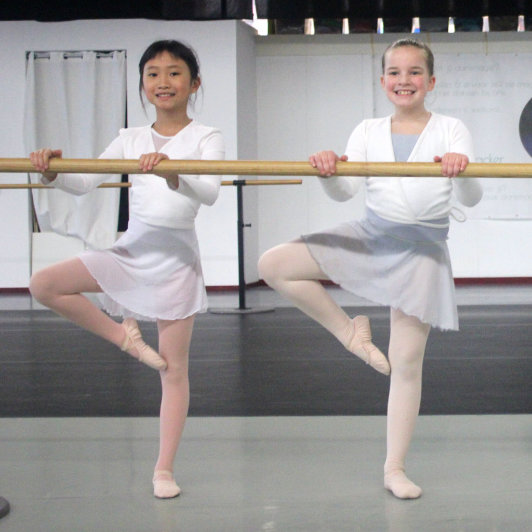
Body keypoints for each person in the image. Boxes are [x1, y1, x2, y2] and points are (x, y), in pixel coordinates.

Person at [258, 38, 482, 500]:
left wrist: (464, 171)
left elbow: (473, 198)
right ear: (383, 81)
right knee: (274, 264)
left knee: (406, 362)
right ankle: (349, 332)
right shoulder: (367, 130)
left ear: (431, 81)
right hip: (371, 235)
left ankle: (394, 468)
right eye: (395, 72)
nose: (405, 80)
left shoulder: (451, 128)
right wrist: (329, 173)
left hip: (421, 251)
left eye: (415, 72)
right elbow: (345, 192)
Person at [29, 39, 225, 499]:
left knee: (173, 370)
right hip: (132, 250)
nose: (163, 82)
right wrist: (51, 171)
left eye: (174, 73)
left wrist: (173, 172)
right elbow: (84, 182)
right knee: (44, 283)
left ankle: (163, 470)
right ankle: (125, 338)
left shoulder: (206, 136)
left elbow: (211, 191)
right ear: (142, 84)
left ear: (194, 83)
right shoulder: (130, 137)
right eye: (153, 73)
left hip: (176, 259)